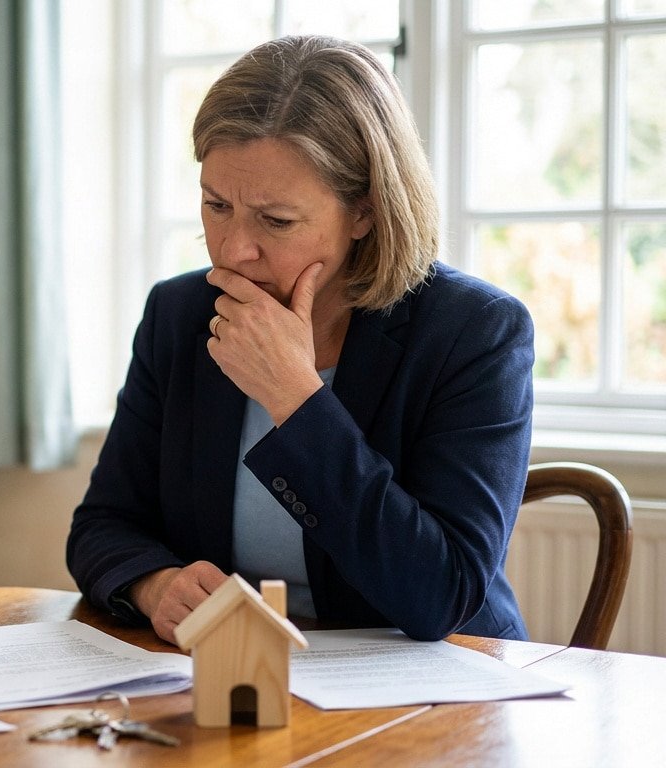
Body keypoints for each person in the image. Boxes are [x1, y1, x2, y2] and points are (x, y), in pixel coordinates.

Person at [66, 35, 534, 645]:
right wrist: (156, 584)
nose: (235, 249)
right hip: (239, 672)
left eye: (276, 220)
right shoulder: (179, 314)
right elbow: (103, 523)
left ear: (365, 212)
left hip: (435, 688)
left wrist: (296, 398)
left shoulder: (475, 333)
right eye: (215, 205)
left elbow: (440, 595)